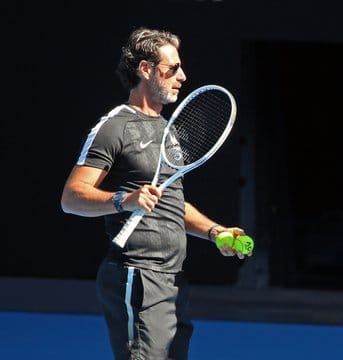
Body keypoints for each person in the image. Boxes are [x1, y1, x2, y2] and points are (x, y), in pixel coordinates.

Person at [60, 27, 249, 360]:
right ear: (145, 69)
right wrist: (122, 199)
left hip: (173, 280)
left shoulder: (167, 129)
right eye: (172, 68)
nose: (182, 76)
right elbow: (72, 198)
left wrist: (215, 231)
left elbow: (171, 201)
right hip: (137, 278)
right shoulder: (114, 127)